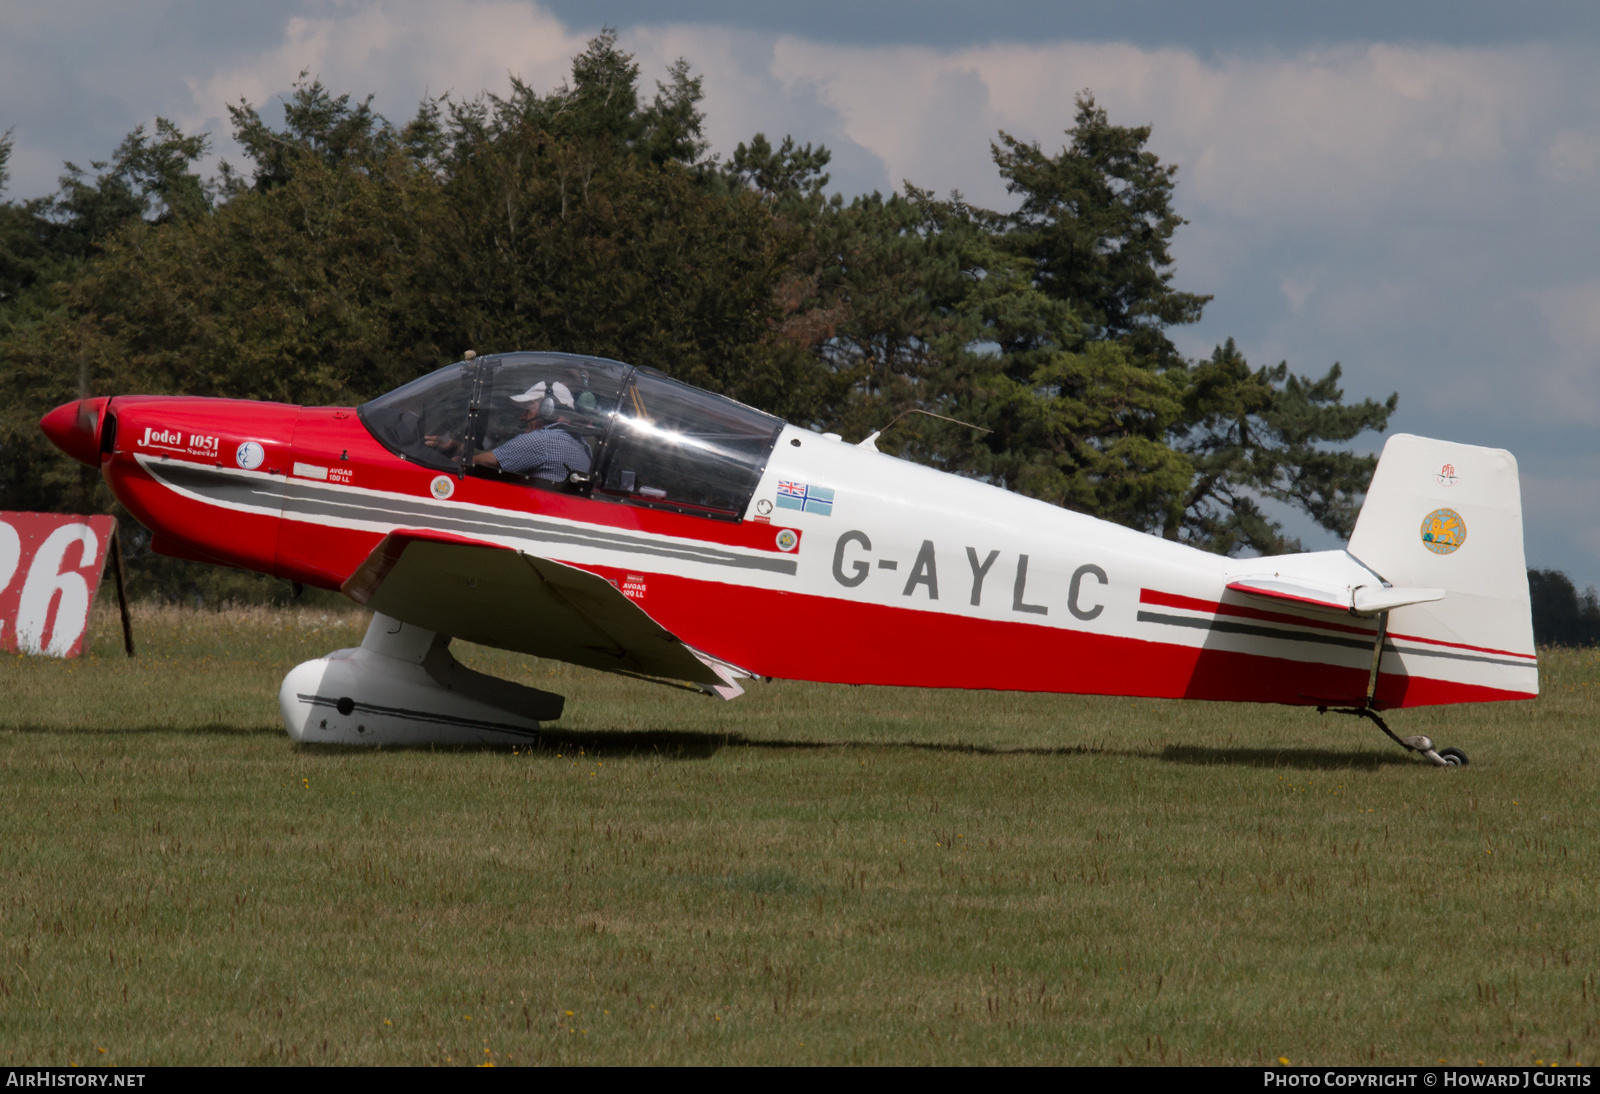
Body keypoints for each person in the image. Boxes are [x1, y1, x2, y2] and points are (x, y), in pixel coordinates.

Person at [427, 380, 593, 482]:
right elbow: (503, 455)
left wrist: (447, 457)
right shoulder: (582, 444)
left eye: (528, 409)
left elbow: (475, 461)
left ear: (547, 410)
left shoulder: (542, 441)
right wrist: (452, 444)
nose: (522, 417)